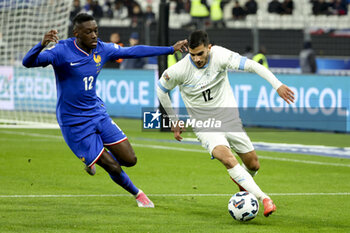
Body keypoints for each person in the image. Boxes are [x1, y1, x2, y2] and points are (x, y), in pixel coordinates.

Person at [22, 13, 187, 208]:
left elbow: (133, 51)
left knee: (130, 160)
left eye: (95, 31)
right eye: (88, 32)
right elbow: (28, 62)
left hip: (97, 113)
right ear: (77, 34)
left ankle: (94, 155)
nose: (94, 35)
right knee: (113, 166)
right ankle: (138, 194)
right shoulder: (61, 51)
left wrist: (170, 49)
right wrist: (41, 45)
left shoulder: (102, 49)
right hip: (74, 122)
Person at [156, 30, 295, 217]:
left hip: (229, 119)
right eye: (192, 54)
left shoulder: (220, 56)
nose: (197, 59)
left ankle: (243, 184)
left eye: (200, 54)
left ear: (209, 48)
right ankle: (264, 199)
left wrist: (277, 85)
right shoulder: (180, 70)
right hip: (204, 123)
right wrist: (173, 120)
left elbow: (253, 66)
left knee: (253, 164)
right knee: (228, 158)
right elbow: (161, 89)